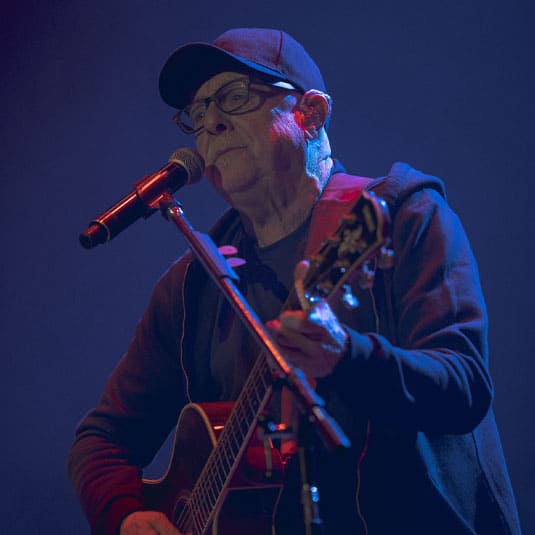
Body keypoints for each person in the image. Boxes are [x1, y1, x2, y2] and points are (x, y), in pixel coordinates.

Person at [68, 28, 521, 534]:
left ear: (311, 114)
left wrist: (348, 357)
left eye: (233, 96)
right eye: (197, 113)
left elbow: (464, 387)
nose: (211, 123)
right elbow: (101, 440)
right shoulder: (192, 286)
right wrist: (125, 516)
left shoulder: (401, 215)